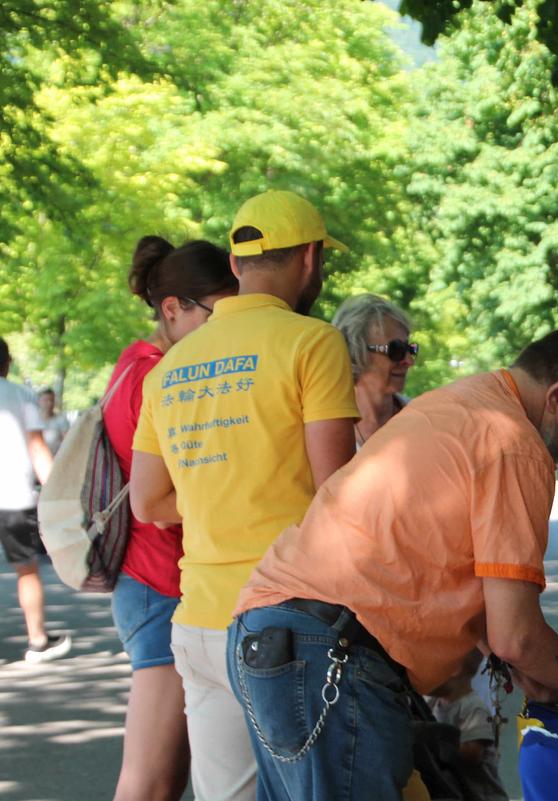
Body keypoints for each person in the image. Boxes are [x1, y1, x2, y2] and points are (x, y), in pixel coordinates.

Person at [229, 325, 558, 800]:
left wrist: (536, 668)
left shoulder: (463, 401)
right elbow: (517, 636)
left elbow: (496, 619)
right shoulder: (514, 442)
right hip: (329, 652)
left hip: (279, 636)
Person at [130, 190, 359, 801]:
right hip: (286, 618)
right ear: (310, 258)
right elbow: (336, 492)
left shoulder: (168, 369)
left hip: (199, 621)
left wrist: (222, 489)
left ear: (235, 265)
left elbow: (147, 504)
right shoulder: (312, 343)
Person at [105, 236, 238, 801]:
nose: (229, 325)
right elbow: (158, 499)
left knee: (170, 775)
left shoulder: (142, 365)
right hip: (159, 582)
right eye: (218, 311)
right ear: (173, 309)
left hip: (160, 583)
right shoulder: (153, 376)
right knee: (151, 780)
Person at [0, 338, 69, 663]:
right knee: (27, 571)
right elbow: (38, 450)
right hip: (15, 498)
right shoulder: (21, 396)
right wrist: (59, 496)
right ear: (7, 362)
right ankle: (37, 641)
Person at [331, 293, 417, 448]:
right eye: (396, 350)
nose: (409, 361)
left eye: (411, 349)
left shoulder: (421, 420)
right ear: (354, 352)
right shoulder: (326, 430)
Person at [425, 648, 508, 801]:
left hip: (483, 796)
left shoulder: (473, 707)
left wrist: (430, 745)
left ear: (454, 670)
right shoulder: (431, 704)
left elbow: (472, 753)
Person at [37, 388, 69, 454]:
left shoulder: (62, 420)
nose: (49, 403)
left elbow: (67, 442)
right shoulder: (33, 420)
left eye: (52, 400)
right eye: (45, 400)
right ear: (39, 401)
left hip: (56, 460)